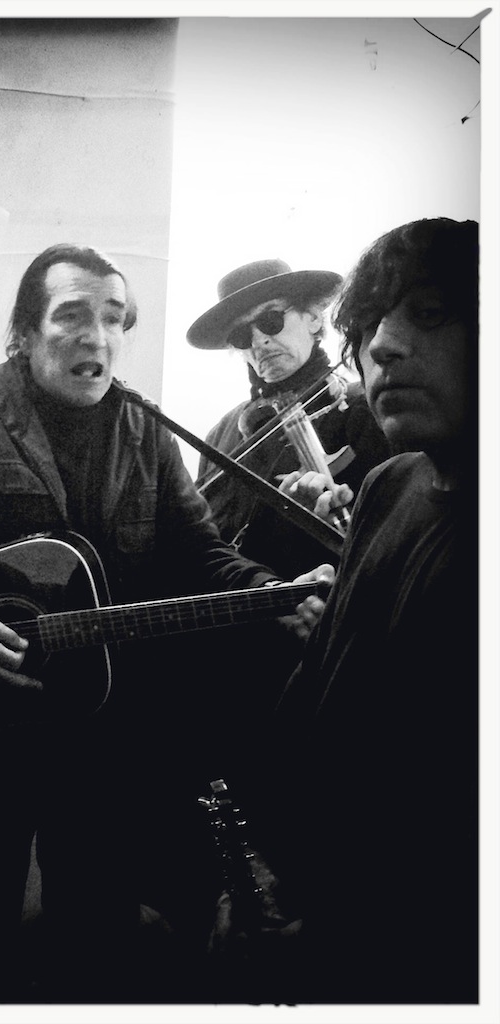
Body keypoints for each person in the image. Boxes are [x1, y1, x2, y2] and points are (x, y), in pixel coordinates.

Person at [0, 243, 328, 1001]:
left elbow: (201, 557)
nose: (97, 338)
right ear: (24, 332)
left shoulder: (144, 431)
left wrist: (279, 592)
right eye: (72, 316)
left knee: (97, 936)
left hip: (102, 738)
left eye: (114, 319)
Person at [269, 218, 479, 1003]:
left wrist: (341, 931)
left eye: (428, 314)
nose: (381, 348)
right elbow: (317, 699)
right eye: (367, 328)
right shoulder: (390, 488)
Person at [186, 259, 391, 580]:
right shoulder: (222, 433)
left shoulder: (362, 407)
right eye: (241, 335)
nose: (258, 341)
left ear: (312, 318)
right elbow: (208, 543)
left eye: (270, 321)